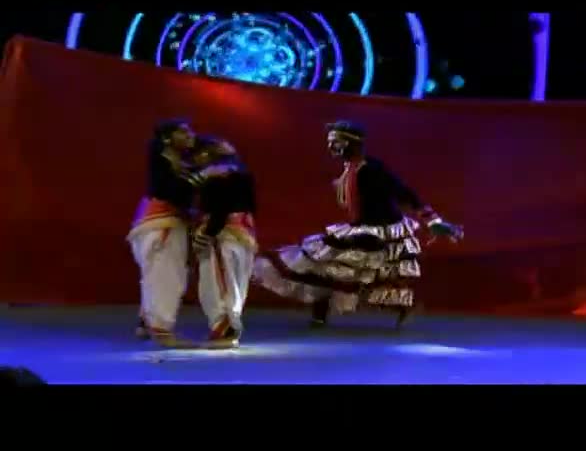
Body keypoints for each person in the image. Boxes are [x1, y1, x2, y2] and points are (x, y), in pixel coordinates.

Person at [252, 120, 463, 329]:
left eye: (335, 142)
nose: (330, 147)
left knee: (366, 274)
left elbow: (403, 192)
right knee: (322, 264)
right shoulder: (351, 168)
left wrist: (433, 220)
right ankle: (320, 313)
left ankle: (403, 308)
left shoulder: (372, 169)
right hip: (359, 226)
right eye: (329, 142)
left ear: (351, 144)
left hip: (379, 230)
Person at [127, 119, 231, 348]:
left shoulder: (175, 164)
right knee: (166, 276)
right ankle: (162, 331)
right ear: (167, 138)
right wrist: (206, 174)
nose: (190, 134)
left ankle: (148, 323)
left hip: (160, 223)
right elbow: (173, 192)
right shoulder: (163, 163)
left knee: (159, 275)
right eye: (183, 131)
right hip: (161, 224)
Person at [190, 136, 257, 349]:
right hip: (245, 233)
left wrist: (207, 233)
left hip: (223, 234)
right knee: (237, 282)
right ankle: (230, 325)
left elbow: (219, 209)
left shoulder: (216, 177)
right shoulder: (243, 174)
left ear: (205, 154)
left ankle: (225, 328)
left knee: (218, 282)